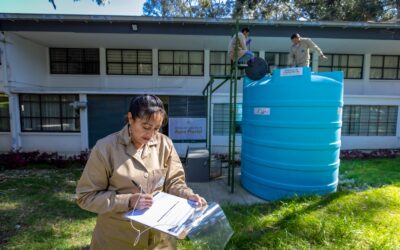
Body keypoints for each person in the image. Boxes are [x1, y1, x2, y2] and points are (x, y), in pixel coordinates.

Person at [76, 94, 207, 250]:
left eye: (157, 128)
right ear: (130, 118)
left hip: (160, 241)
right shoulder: (106, 148)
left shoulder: (165, 144)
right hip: (116, 240)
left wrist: (187, 195)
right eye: (146, 127)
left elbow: (174, 182)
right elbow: (86, 197)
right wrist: (128, 201)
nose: (151, 134)